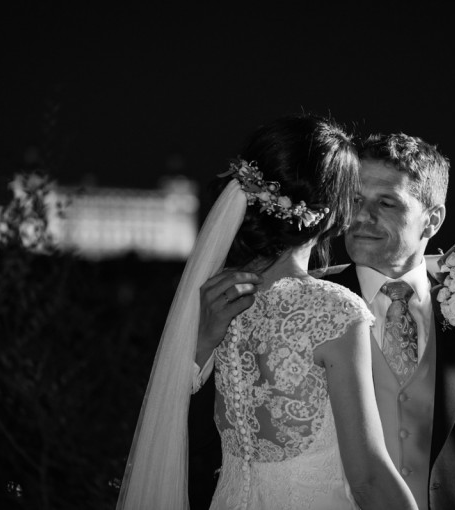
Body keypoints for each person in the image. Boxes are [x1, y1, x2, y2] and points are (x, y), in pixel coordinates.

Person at [196, 133, 455, 510]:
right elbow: (224, 429)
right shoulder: (305, 306)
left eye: (387, 202)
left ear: (432, 220)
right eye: (355, 200)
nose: (362, 217)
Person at [117, 114, 418, 510]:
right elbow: (368, 477)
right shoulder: (333, 310)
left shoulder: (217, 297)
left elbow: (170, 414)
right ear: (332, 213)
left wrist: (203, 340)